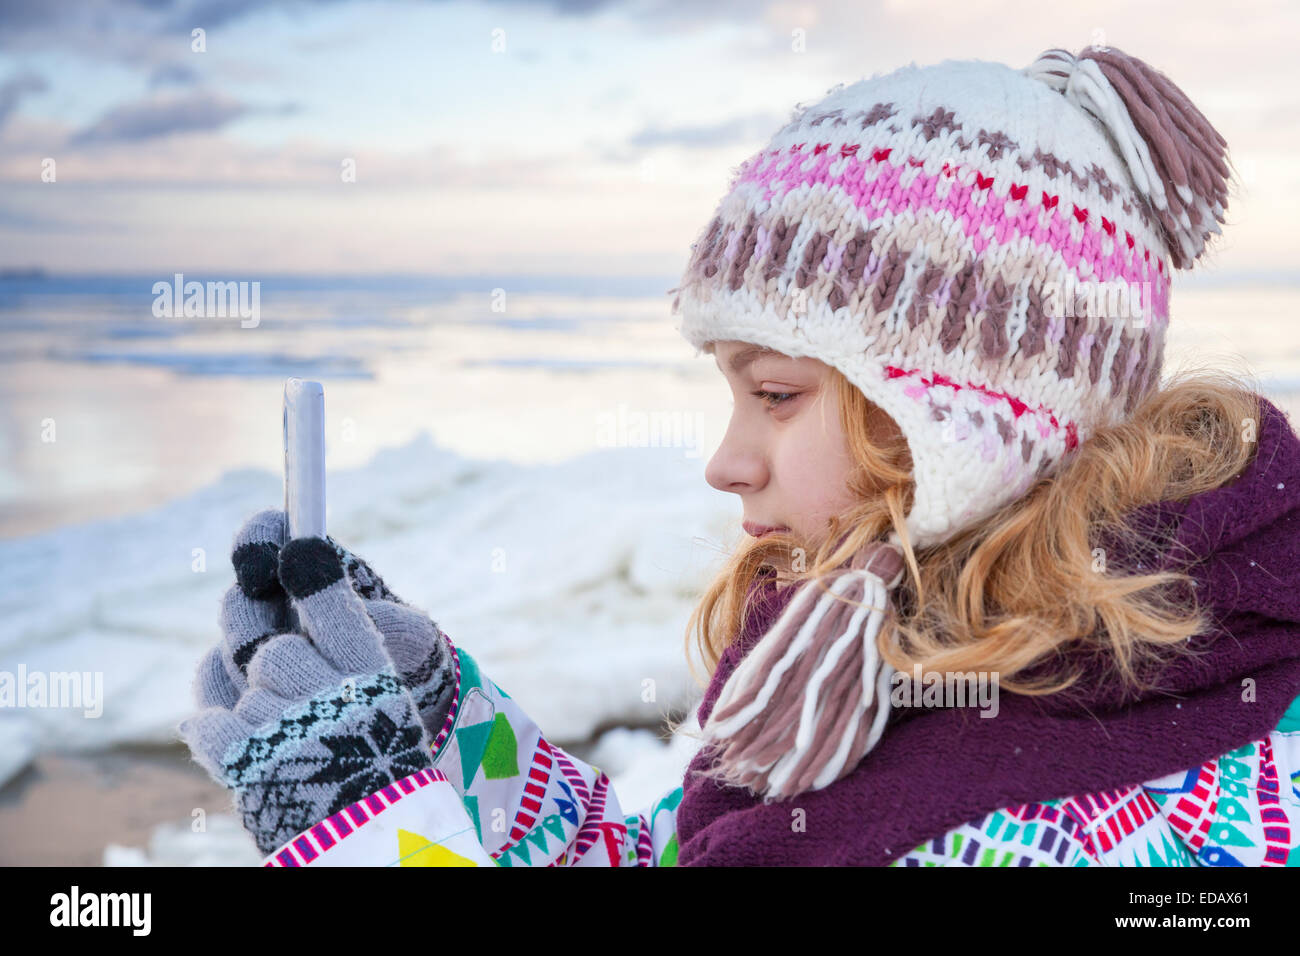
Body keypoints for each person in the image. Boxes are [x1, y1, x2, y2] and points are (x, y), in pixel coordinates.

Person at [180, 43, 1300, 866]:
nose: (726, 460)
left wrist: (370, 839)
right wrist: (434, 715)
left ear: (970, 422)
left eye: (776, 394)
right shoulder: (861, 662)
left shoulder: (1045, 816)